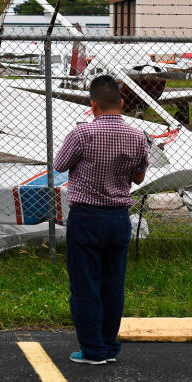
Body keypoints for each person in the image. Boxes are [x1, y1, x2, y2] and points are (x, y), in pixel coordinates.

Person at [54, 74, 148, 365]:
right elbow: (139, 176)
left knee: (85, 286)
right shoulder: (137, 137)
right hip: (119, 217)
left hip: (86, 217)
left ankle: (92, 350)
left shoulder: (82, 134)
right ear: (121, 102)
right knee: (112, 285)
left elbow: (59, 165)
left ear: (92, 105)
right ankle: (108, 345)